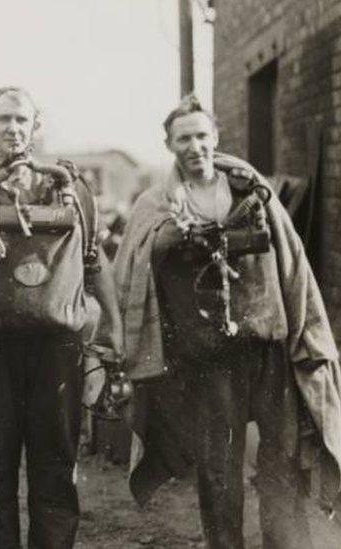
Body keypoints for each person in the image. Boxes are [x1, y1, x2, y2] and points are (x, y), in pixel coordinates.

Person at [113, 94, 341, 548]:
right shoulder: (157, 204)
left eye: (201, 135)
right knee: (219, 468)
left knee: (282, 463)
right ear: (169, 145)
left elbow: (292, 261)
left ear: (215, 138)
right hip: (208, 357)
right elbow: (131, 268)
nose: (195, 146)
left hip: (267, 347)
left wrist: (305, 334)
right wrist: (166, 241)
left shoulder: (250, 190)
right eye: (184, 138)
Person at [0, 86, 123, 548]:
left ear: (36, 127)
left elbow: (94, 261)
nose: (12, 128)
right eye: (3, 120)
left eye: (21, 120)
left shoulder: (69, 190)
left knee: (55, 461)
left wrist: (112, 325)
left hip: (58, 346)